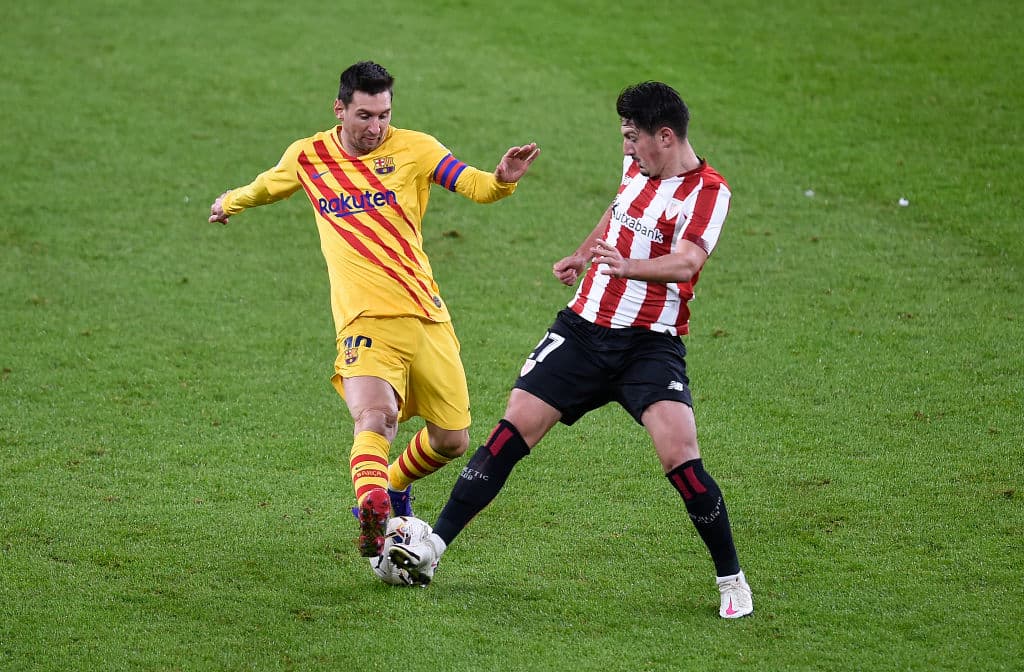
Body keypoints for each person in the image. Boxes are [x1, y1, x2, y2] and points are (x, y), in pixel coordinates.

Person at [390, 81, 753, 618]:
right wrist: (583, 256)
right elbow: (619, 211)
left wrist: (627, 267)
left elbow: (686, 263)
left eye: (634, 137)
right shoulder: (639, 167)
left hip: (649, 346)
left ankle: (731, 578)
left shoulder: (708, 192)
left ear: (667, 136)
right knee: (510, 432)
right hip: (583, 329)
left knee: (680, 457)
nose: (627, 148)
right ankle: (432, 549)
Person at [207, 61, 540, 558]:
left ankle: (389, 486)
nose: (375, 127)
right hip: (364, 321)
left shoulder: (416, 148)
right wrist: (229, 202)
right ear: (339, 109)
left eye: (383, 115)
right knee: (376, 415)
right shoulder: (309, 157)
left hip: (426, 316)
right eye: (364, 116)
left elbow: (472, 184)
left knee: (452, 439)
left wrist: (502, 179)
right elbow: (266, 186)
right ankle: (372, 504)